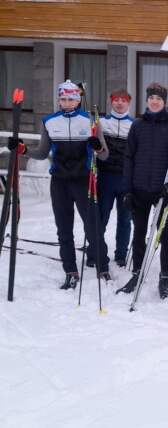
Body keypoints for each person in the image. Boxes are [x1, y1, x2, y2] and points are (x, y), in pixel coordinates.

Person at [8, 80, 111, 289]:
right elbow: (42, 152)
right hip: (60, 182)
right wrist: (22, 149)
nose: (67, 103)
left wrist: (98, 147)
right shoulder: (49, 121)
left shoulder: (91, 121)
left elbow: (104, 155)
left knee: (93, 228)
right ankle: (70, 271)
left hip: (84, 181)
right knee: (64, 229)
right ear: (59, 100)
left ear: (78, 100)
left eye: (71, 99)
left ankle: (103, 268)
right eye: (63, 99)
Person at [118, 82, 168, 299]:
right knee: (139, 232)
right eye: (151, 98)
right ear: (146, 100)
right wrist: (127, 190)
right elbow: (129, 158)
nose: (154, 101)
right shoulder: (137, 126)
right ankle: (137, 273)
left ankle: (165, 277)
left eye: (159, 98)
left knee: (164, 234)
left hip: (163, 190)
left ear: (164, 102)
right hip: (139, 189)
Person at [86, 89, 135, 268]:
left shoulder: (134, 125)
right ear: (111, 101)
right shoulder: (101, 123)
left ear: (128, 102)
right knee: (101, 217)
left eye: (123, 100)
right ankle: (94, 252)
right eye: (116, 100)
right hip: (105, 177)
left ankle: (121, 254)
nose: (120, 103)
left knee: (125, 219)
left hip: (126, 179)